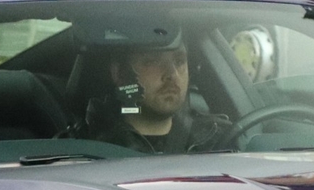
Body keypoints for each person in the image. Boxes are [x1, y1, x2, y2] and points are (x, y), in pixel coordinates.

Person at [91, 26, 232, 155]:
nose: (172, 74)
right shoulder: (93, 149)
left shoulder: (217, 137)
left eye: (179, 61)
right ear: (120, 74)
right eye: (152, 61)